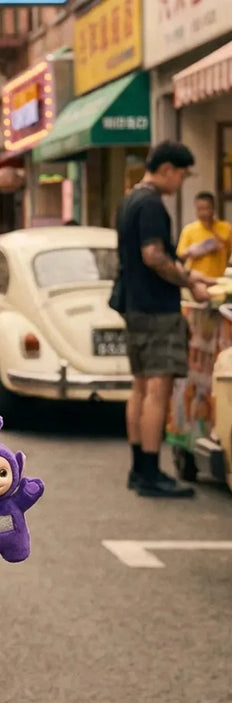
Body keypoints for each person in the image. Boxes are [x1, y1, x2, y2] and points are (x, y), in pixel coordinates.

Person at [112, 141, 213, 498]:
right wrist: (190, 283)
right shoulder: (152, 203)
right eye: (182, 175)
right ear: (168, 169)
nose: (181, 183)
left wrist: (190, 275)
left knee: (140, 388)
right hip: (156, 309)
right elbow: (153, 256)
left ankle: (139, 468)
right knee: (158, 389)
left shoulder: (130, 200)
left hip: (134, 307)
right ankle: (152, 471)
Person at [176, 191, 232, 279]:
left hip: (219, 279)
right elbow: (179, 257)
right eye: (199, 209)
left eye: (206, 208)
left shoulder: (226, 228)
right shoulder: (188, 230)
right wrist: (193, 251)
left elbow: (229, 253)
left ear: (214, 208)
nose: (203, 213)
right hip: (196, 280)